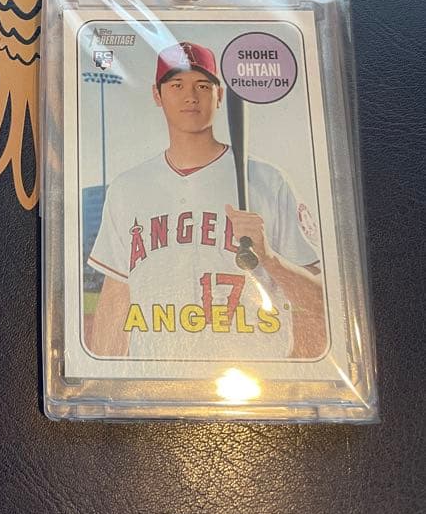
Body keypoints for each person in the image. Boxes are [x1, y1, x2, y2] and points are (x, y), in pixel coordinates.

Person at [87, 41, 326, 360]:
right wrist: (104, 379)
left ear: (219, 95)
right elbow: (116, 297)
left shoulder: (267, 180)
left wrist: (270, 259)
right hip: (157, 375)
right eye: (176, 85)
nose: (190, 96)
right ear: (157, 95)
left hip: (255, 373)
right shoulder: (127, 188)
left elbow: (323, 303)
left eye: (202, 85)